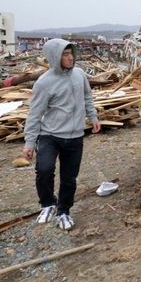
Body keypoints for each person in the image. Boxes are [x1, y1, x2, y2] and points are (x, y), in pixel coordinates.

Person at [23, 39, 101, 230]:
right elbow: (35, 113)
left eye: (71, 53)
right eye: (65, 54)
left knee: (69, 178)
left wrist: (93, 116)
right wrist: (29, 142)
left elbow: (87, 97)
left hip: (75, 136)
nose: (70, 57)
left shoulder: (80, 75)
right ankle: (48, 203)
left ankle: (64, 211)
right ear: (55, 57)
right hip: (50, 135)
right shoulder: (44, 83)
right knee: (44, 170)